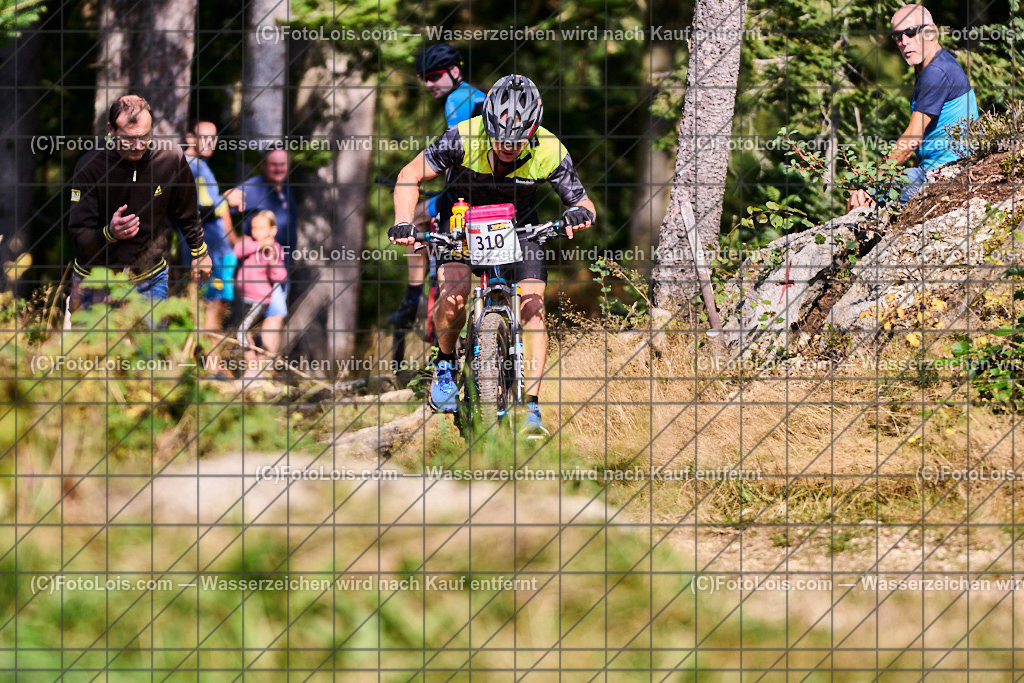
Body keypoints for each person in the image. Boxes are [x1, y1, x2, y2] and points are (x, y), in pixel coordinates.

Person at [388, 74, 596, 437]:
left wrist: (580, 213)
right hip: (461, 222)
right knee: (453, 298)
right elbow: (409, 175)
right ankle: (446, 364)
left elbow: (581, 200)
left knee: (533, 309)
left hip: (520, 229)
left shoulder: (549, 148)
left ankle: (531, 406)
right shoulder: (462, 136)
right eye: (500, 139)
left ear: (533, 128)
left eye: (517, 141)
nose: (508, 147)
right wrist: (404, 222)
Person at [67, 94, 211, 319]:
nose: (137, 146)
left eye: (144, 137)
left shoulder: (170, 158)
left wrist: (199, 252)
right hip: (95, 280)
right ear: (111, 130)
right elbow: (79, 236)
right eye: (128, 139)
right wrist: (110, 233)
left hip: (149, 280)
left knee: (150, 353)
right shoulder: (90, 167)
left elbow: (187, 211)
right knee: (92, 354)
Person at [387, 43, 487, 331]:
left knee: (417, 214)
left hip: (467, 192)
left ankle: (412, 295)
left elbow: (458, 153)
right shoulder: (476, 96)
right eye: (424, 79)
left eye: (434, 76)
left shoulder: (457, 99)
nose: (428, 83)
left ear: (455, 71)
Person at [847, 4, 978, 211]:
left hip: (947, 175)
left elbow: (912, 139)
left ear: (931, 33)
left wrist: (870, 182)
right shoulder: (933, 67)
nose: (904, 42)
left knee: (862, 196)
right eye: (898, 36)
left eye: (910, 32)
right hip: (941, 170)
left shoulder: (936, 72)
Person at [183, 120, 238, 351]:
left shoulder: (201, 166)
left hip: (216, 250)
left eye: (214, 137)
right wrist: (226, 199)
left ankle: (206, 361)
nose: (210, 142)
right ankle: (208, 362)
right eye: (204, 136)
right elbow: (192, 207)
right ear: (189, 138)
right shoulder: (189, 166)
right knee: (210, 305)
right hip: (206, 252)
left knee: (212, 305)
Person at [224, 147, 295, 324]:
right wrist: (234, 239)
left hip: (279, 269)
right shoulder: (254, 187)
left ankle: (262, 352)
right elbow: (223, 202)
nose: (279, 168)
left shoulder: (286, 188)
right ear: (263, 165)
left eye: (283, 164)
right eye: (273, 165)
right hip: (257, 276)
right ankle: (255, 352)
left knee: (275, 316)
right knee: (271, 317)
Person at [235, 210, 287, 381]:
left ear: (273, 230)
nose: (257, 231)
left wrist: (271, 258)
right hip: (243, 298)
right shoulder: (249, 244)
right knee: (244, 332)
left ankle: (253, 371)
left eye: (262, 228)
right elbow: (237, 251)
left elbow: (280, 276)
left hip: (259, 300)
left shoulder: (275, 249)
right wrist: (259, 246)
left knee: (241, 333)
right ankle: (254, 370)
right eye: (254, 228)